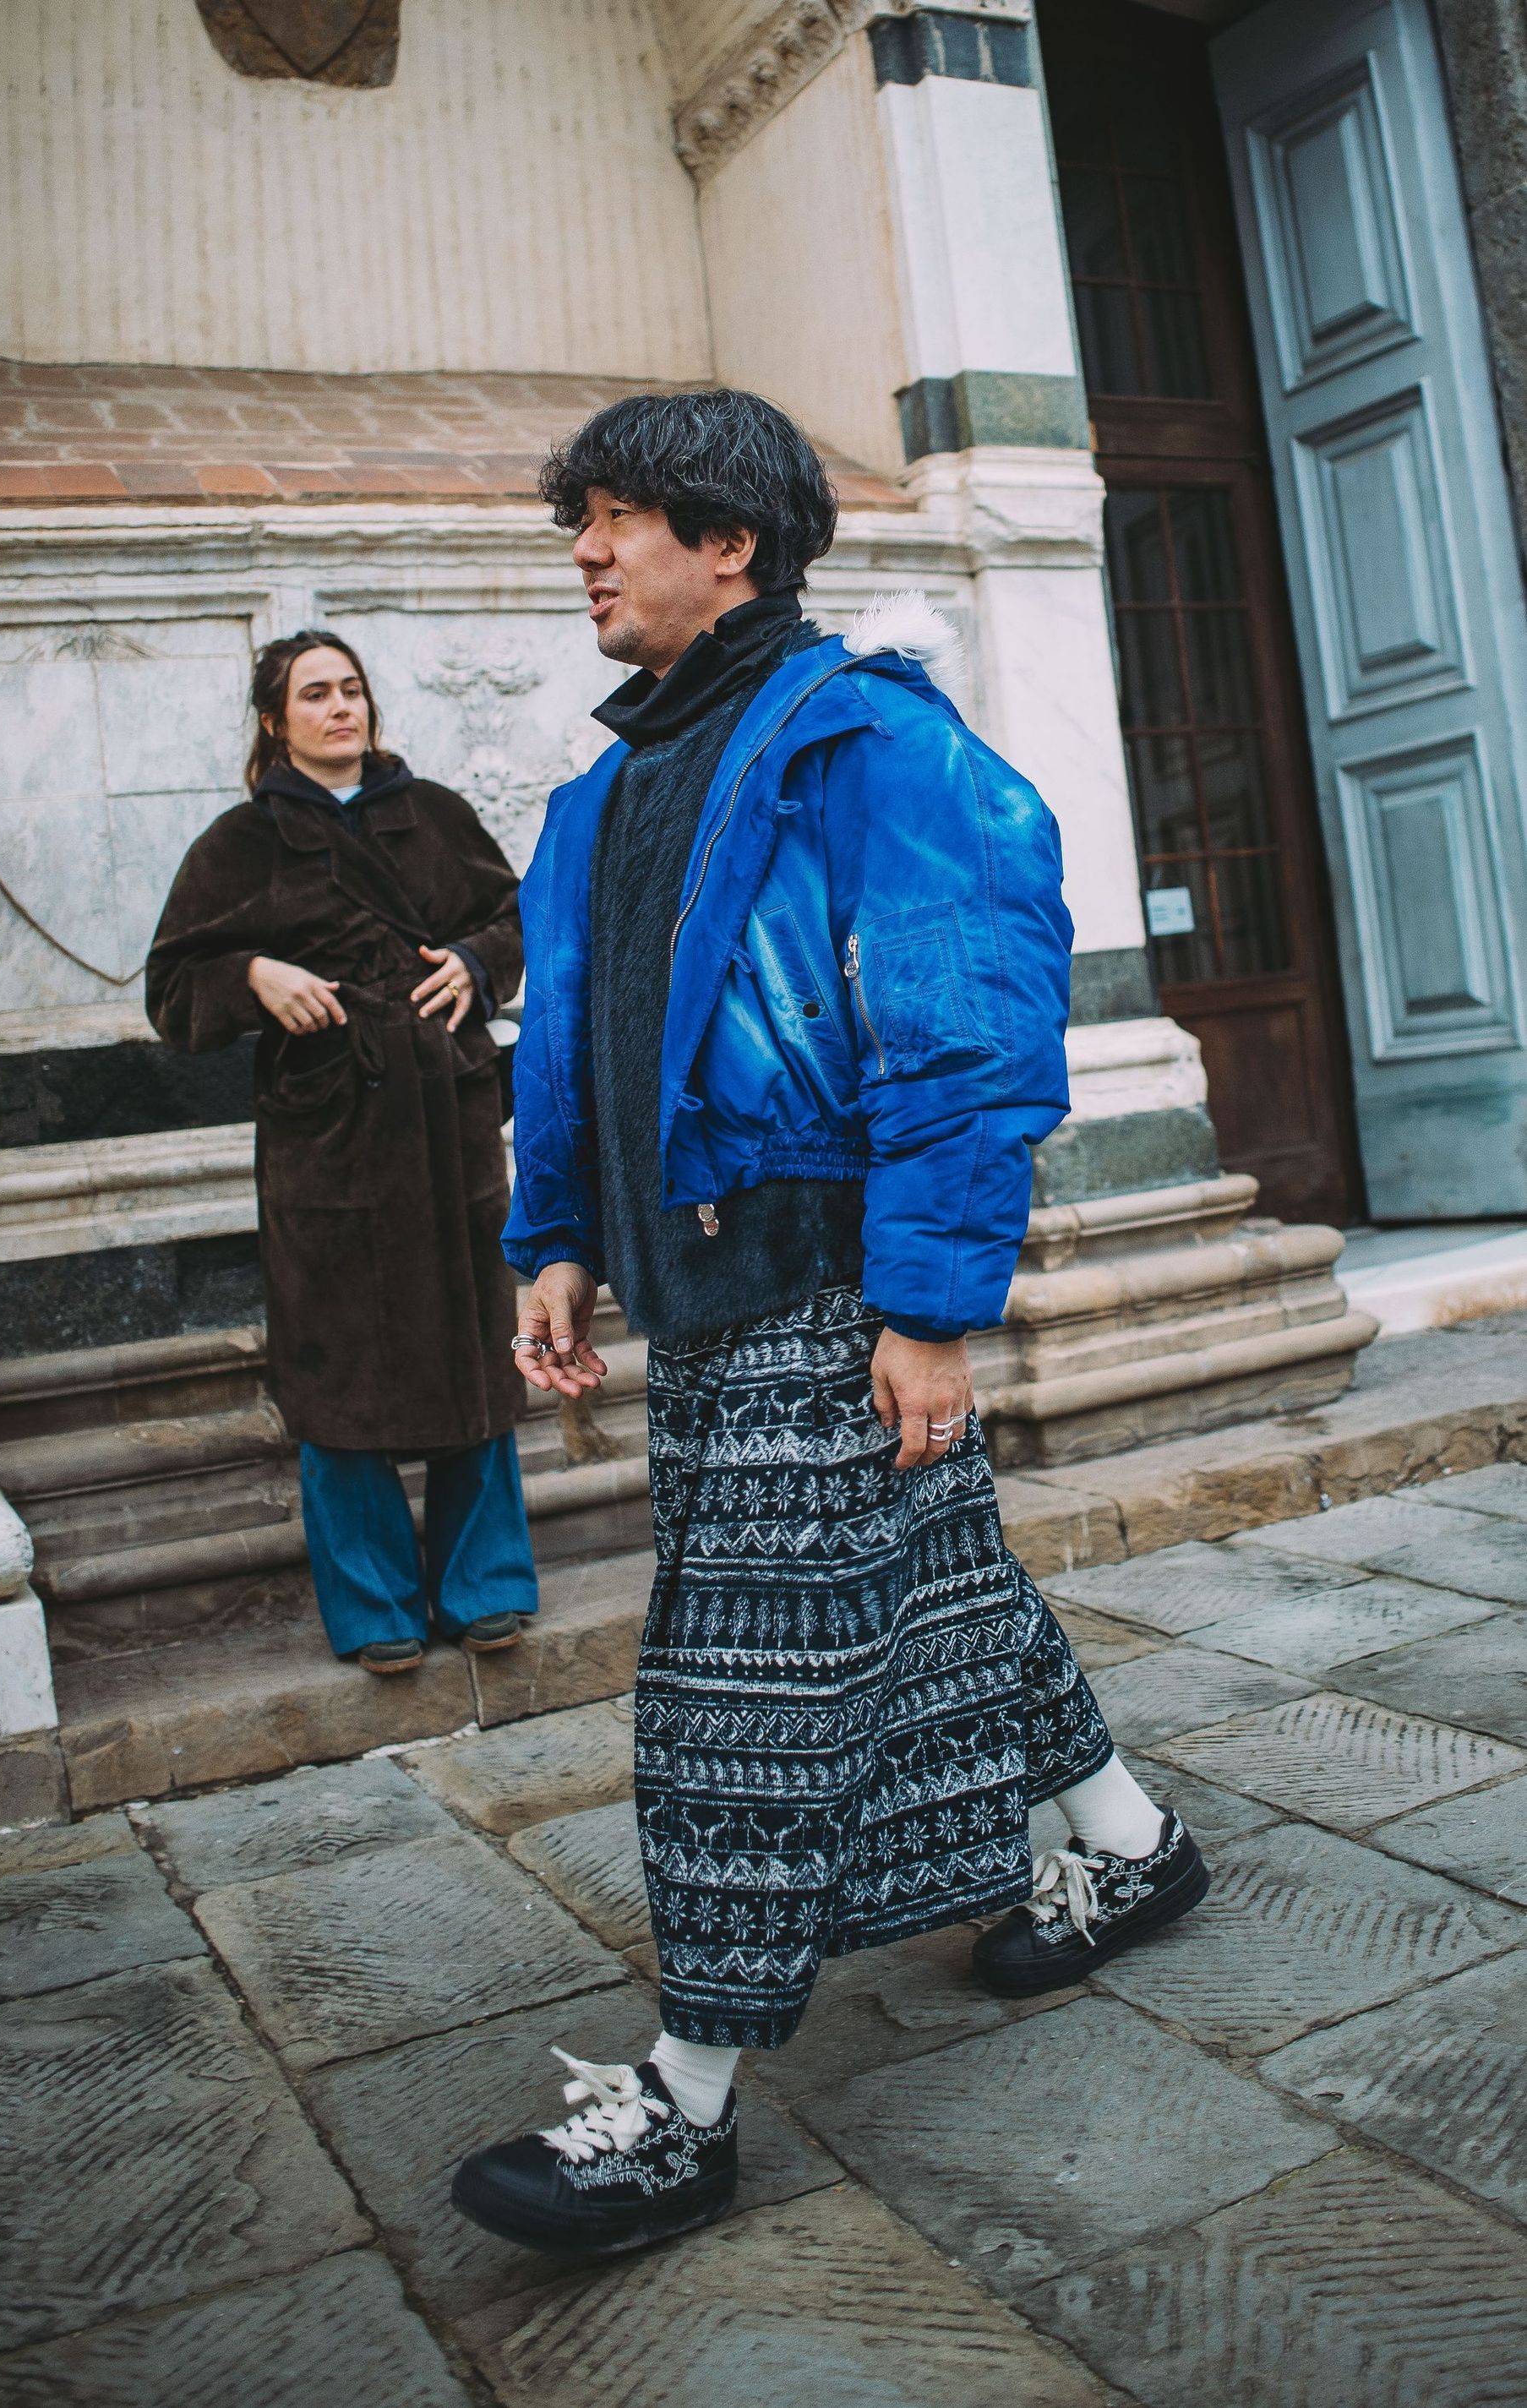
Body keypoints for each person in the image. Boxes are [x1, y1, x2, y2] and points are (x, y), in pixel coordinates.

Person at [448, 390, 1207, 2259]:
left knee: (745, 1685)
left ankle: (684, 2102)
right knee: (940, 1580)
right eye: (580, 521)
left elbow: (963, 1028)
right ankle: (1133, 1847)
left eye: (619, 519)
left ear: (731, 544)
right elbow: (578, 1042)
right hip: (700, 1290)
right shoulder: (608, 790)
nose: (584, 553)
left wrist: (931, 1307)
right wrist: (556, 1238)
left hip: (824, 1283)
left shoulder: (863, 740)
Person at [146, 630, 537, 1673]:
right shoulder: (242, 844)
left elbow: (520, 919)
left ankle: (485, 1585)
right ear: (275, 722)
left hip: (447, 1120)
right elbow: (172, 993)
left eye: (351, 689)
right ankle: (374, 1607)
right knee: (338, 1362)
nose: (339, 708)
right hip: (329, 1136)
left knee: (472, 1349)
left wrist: (475, 962)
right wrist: (252, 975)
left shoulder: (434, 815)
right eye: (314, 694)